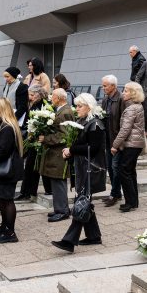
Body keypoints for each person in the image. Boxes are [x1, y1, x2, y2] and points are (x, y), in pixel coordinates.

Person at [51, 93, 107, 253]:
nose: (77, 109)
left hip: (92, 169)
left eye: (80, 106)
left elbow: (94, 148)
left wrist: (72, 150)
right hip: (83, 169)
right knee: (85, 202)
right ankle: (94, 236)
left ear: (89, 106)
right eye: (76, 106)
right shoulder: (83, 122)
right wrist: (70, 152)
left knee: (81, 203)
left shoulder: (95, 124)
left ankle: (69, 241)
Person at [0, 98, 24, 243]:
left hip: (7, 170)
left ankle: (10, 232)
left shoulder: (6, 127)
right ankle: (4, 225)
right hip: (5, 169)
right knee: (2, 199)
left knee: (7, 200)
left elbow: (2, 150)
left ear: (1, 110)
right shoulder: (4, 125)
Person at [40, 88, 75, 222]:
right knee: (56, 182)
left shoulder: (64, 112)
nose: (50, 98)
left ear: (59, 98)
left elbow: (63, 135)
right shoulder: (62, 110)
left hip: (59, 153)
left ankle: (62, 211)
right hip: (56, 153)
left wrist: (46, 139)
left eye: (52, 96)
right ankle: (59, 208)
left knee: (58, 182)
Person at [111, 81, 146, 212]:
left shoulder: (132, 108)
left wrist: (115, 145)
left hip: (131, 144)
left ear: (132, 94)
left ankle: (130, 202)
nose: (123, 93)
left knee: (124, 171)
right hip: (135, 144)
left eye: (125, 91)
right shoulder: (138, 106)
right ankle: (133, 201)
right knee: (130, 171)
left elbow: (125, 130)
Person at [16, 85, 49, 202]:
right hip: (32, 139)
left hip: (38, 140)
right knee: (30, 166)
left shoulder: (43, 106)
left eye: (31, 95)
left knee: (32, 166)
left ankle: (28, 191)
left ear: (38, 94)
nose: (29, 98)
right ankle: (26, 191)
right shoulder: (34, 104)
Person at [101, 74, 125, 207]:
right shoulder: (105, 100)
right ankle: (117, 192)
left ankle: (114, 194)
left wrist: (119, 142)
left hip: (117, 140)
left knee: (116, 167)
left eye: (105, 85)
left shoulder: (121, 99)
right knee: (110, 167)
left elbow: (123, 122)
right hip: (108, 140)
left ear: (113, 86)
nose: (103, 88)